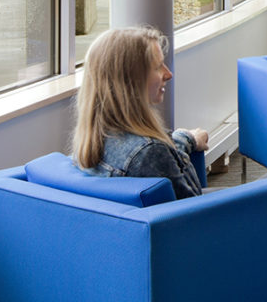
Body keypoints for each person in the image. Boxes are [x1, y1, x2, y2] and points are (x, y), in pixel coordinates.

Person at [72, 25, 210, 199]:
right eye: (158, 66)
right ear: (130, 80)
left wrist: (185, 138)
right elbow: (193, 211)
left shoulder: (90, 145)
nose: (168, 74)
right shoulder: (150, 153)